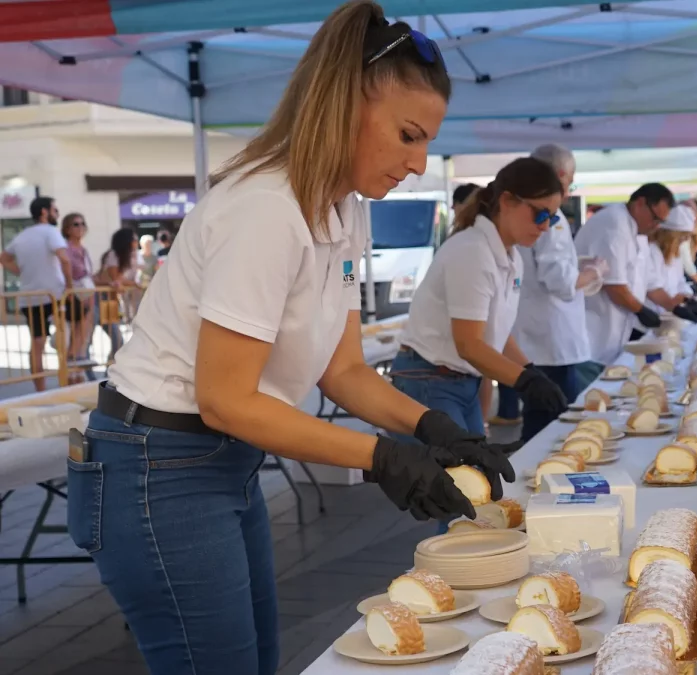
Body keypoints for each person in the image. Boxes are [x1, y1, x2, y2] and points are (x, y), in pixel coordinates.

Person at [67, 6, 513, 674]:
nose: (419, 164)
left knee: (254, 660)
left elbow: (345, 371)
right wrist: (382, 458)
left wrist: (432, 428)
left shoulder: (343, 211)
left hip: (220, 462)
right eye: (408, 135)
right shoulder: (265, 208)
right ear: (345, 104)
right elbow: (226, 399)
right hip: (157, 465)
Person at [392, 156, 569, 462]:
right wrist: (524, 381)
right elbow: (469, 344)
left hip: (459, 382)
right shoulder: (473, 251)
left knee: (479, 482)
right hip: (429, 380)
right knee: (461, 486)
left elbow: (496, 330)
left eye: (552, 219)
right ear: (507, 201)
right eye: (541, 214)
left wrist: (530, 372)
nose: (545, 228)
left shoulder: (509, 256)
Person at [504, 144, 607, 441]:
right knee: (555, 426)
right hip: (550, 339)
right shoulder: (551, 217)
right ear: (561, 175)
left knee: (542, 419)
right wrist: (593, 273)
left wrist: (577, 266)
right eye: (570, 181)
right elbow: (559, 280)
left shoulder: (530, 214)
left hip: (537, 334)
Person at [574, 183, 675, 385]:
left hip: (611, 335)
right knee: (588, 402)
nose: (656, 226)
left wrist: (676, 306)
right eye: (655, 218)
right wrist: (641, 310)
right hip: (591, 333)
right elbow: (614, 286)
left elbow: (648, 283)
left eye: (660, 222)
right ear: (640, 203)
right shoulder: (614, 225)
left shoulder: (635, 230)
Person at [0, 196, 72, 392]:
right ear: (44, 212)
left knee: (37, 343)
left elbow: (3, 258)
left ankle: (40, 391)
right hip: (55, 295)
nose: (57, 214)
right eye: (55, 210)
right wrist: (71, 287)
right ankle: (66, 382)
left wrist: (19, 270)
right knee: (65, 338)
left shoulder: (22, 236)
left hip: (29, 297)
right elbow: (64, 260)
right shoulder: (50, 232)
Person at [643, 204, 697, 322]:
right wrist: (674, 307)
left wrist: (688, 298)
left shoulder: (674, 256)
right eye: (681, 237)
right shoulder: (650, 252)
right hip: (651, 314)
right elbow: (652, 288)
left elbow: (680, 282)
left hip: (667, 314)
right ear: (668, 235)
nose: (683, 241)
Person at [95, 228, 141, 357]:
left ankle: (108, 371)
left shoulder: (127, 257)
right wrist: (133, 283)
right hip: (101, 300)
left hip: (111, 301)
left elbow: (121, 279)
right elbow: (116, 278)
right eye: (134, 239)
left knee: (117, 340)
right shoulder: (114, 255)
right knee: (117, 339)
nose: (136, 242)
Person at [61, 213, 95, 376]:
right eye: (76, 224)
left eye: (82, 223)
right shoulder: (66, 248)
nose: (80, 227)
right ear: (67, 229)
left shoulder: (83, 249)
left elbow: (87, 273)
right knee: (75, 328)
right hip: (73, 294)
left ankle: (78, 357)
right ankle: (74, 358)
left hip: (86, 293)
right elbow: (72, 272)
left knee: (83, 327)